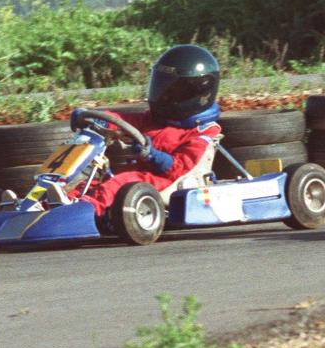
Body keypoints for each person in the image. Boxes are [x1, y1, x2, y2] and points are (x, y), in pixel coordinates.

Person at [69, 44, 222, 219]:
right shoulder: (156, 118)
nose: (165, 95)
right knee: (90, 184)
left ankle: (83, 216)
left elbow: (180, 168)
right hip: (139, 176)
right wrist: (94, 118)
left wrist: (152, 155)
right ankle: (53, 209)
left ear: (196, 93)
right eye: (163, 87)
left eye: (173, 90)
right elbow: (122, 121)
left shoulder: (203, 132)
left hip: (169, 182)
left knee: (119, 183)